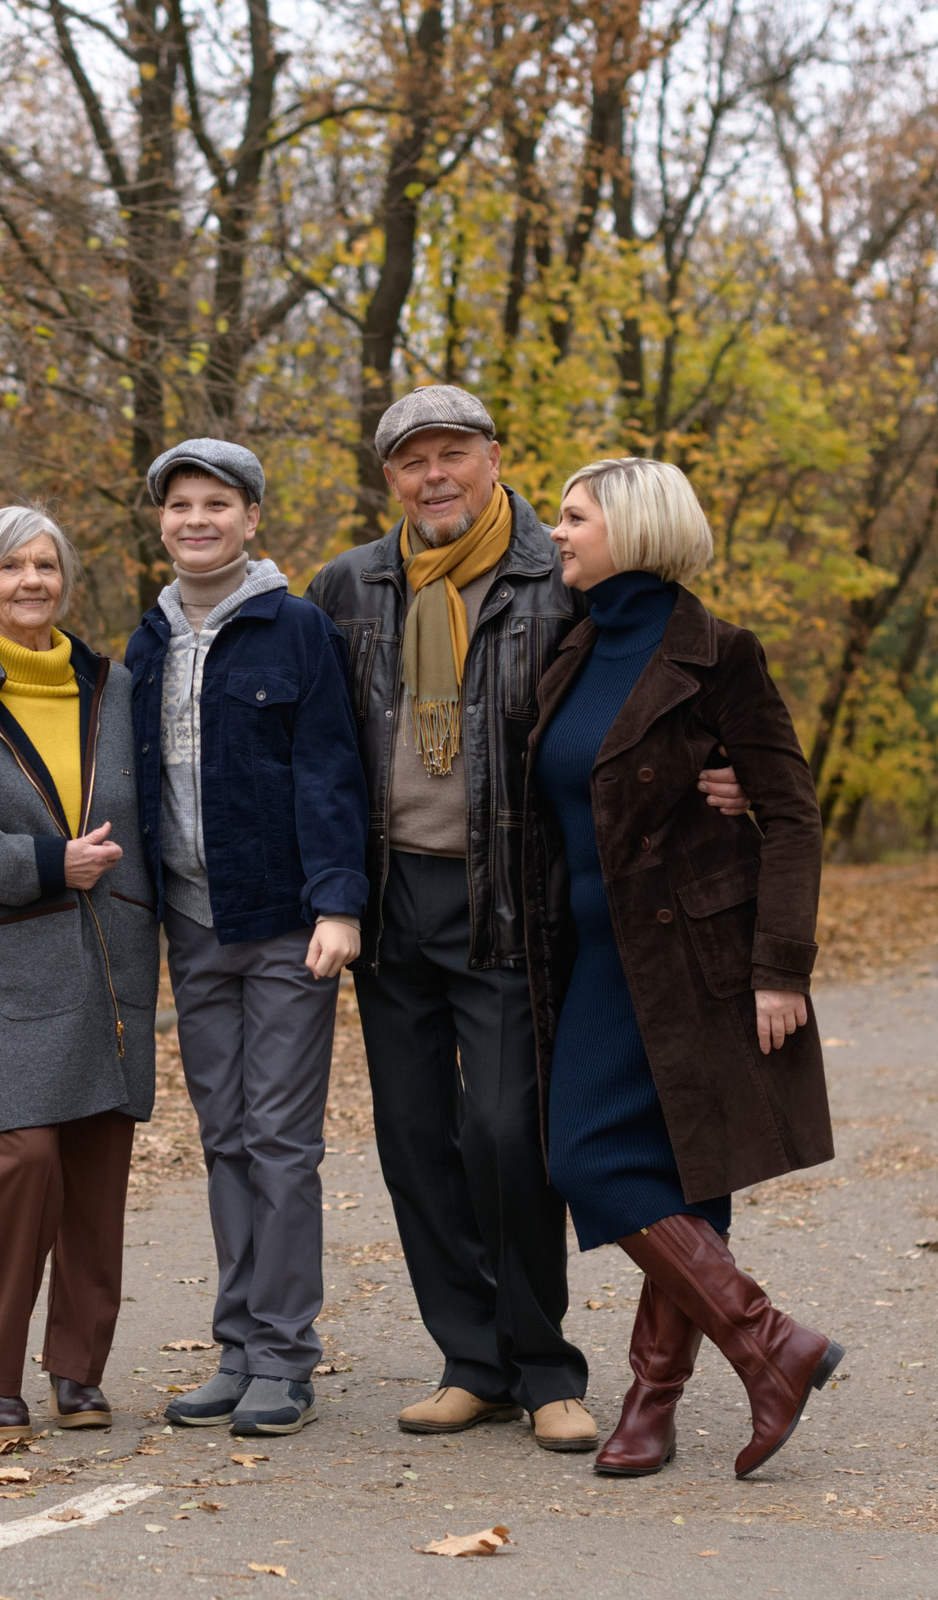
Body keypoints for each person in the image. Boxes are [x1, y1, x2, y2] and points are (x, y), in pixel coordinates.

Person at [306, 386, 749, 1454]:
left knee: (505, 1135)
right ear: (391, 481)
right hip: (388, 894)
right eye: (413, 461)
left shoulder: (557, 580)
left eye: (454, 452)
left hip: (509, 898)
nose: (435, 475)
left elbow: (657, 677)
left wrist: (716, 768)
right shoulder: (347, 587)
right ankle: (472, 1363)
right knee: (415, 1139)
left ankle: (545, 1366)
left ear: (493, 457)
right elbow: (317, 751)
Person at [523, 456, 843, 1479]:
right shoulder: (571, 650)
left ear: (634, 529)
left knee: (654, 1170)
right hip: (586, 956)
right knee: (607, 1158)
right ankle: (766, 1348)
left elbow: (791, 814)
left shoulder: (720, 657)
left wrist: (779, 969)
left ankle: (661, 1397)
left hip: (695, 957)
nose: (557, 531)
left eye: (573, 517)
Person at [123, 439, 368, 1439]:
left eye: (215, 503)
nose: (195, 520)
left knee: (279, 1141)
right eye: (179, 505)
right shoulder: (147, 641)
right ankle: (235, 1348)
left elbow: (329, 771)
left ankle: (284, 1357)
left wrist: (338, 904)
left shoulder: (295, 627)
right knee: (222, 1137)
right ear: (162, 522)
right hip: (191, 923)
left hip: (284, 924)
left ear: (252, 516)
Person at [0, 506, 160, 1440]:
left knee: (98, 1162)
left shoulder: (117, 685)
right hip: (9, 966)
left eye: (45, 564)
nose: (30, 581)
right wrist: (50, 861)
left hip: (113, 955)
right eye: (9, 566)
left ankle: (80, 1370)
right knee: (24, 1162)